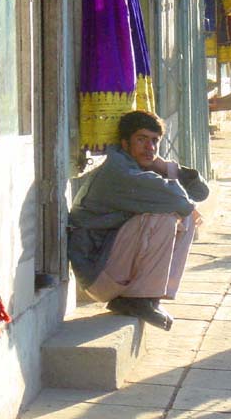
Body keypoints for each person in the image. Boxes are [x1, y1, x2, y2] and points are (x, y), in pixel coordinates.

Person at [67, 110, 210, 331]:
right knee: (165, 217)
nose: (150, 148)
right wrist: (163, 171)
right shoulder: (120, 172)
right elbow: (180, 202)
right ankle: (140, 298)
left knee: (184, 217)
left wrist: (163, 166)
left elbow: (201, 193)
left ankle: (150, 297)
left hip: (110, 266)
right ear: (125, 144)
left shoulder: (137, 166)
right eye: (141, 140)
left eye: (154, 141)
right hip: (97, 273)